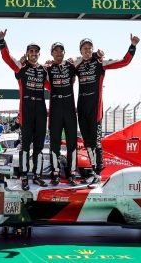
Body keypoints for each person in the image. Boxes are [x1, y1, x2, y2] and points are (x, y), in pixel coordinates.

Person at [76, 34, 139, 186]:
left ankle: (98, 173)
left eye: (90, 48)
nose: (87, 51)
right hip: (82, 109)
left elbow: (124, 62)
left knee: (96, 143)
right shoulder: (76, 65)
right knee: (87, 143)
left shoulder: (100, 63)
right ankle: (93, 170)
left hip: (95, 110)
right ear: (80, 50)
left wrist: (132, 46)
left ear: (92, 50)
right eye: (84, 48)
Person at [0, 29, 49, 190]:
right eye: (31, 51)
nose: (34, 53)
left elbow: (56, 85)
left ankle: (38, 174)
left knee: (39, 146)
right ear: (27, 53)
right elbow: (7, 58)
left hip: (41, 109)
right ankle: (24, 175)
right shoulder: (21, 67)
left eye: (36, 52)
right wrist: (2, 41)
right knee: (25, 146)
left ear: (39, 55)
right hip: (26, 109)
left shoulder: (43, 70)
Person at [44, 42, 85, 186]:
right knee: (54, 144)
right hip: (55, 108)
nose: (58, 53)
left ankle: (72, 172)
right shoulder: (47, 68)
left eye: (61, 51)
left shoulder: (71, 65)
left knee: (72, 143)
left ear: (64, 53)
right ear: (51, 53)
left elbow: (85, 57)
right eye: (55, 51)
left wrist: (98, 55)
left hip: (69, 108)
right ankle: (55, 172)